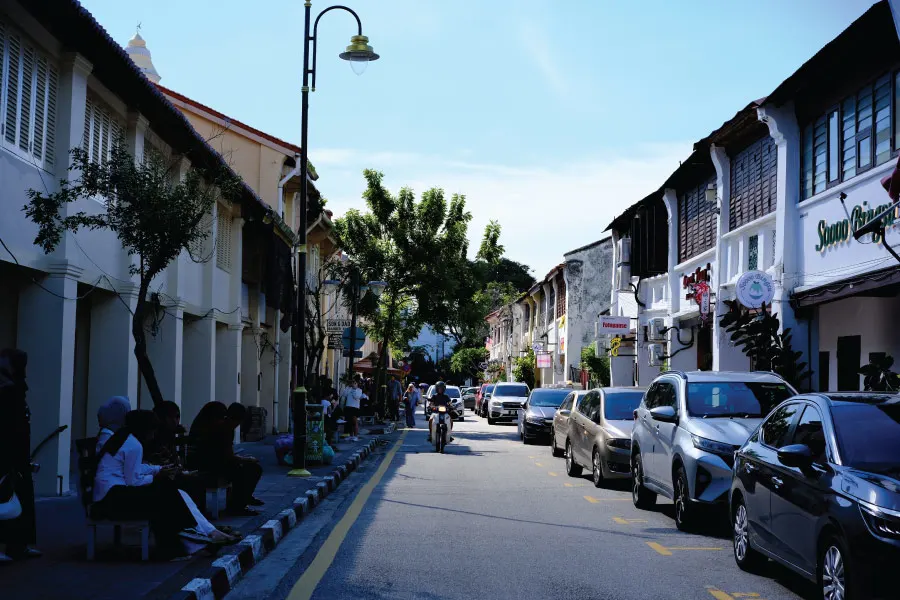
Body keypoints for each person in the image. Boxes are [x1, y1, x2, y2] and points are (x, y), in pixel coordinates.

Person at [93, 408, 235, 558]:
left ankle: (207, 532)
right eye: (152, 431)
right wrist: (157, 476)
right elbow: (134, 481)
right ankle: (197, 535)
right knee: (167, 491)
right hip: (112, 498)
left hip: (111, 493)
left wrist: (158, 469)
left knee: (177, 493)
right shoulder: (134, 445)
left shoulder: (124, 438)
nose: (153, 436)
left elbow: (133, 469)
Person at [0, 349, 39, 563]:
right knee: (4, 498)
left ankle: (19, 544)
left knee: (20, 497)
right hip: (6, 452)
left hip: (17, 452)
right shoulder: (7, 389)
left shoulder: (15, 388)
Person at [189, 402, 263, 515]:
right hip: (209, 465)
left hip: (213, 462)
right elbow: (227, 456)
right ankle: (238, 505)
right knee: (251, 469)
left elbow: (226, 454)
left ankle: (243, 499)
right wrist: (246, 460)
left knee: (244, 468)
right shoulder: (222, 428)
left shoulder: (219, 427)